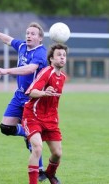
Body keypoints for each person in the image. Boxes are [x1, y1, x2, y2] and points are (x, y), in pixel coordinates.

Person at [0, 22, 47, 181]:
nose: (29, 35)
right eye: (27, 33)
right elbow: (9, 40)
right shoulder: (22, 46)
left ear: (40, 38)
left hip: (33, 99)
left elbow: (29, 69)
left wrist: (6, 71)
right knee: (5, 127)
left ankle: (40, 170)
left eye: (33, 33)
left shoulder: (41, 53)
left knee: (34, 139)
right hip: (19, 96)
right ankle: (25, 131)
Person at [22, 43, 68, 184]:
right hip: (33, 116)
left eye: (64, 55)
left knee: (57, 153)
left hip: (50, 119)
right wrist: (44, 93)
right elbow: (31, 92)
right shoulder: (46, 72)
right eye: (58, 55)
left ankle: (50, 173)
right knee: (37, 148)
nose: (62, 58)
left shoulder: (63, 78)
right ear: (51, 59)